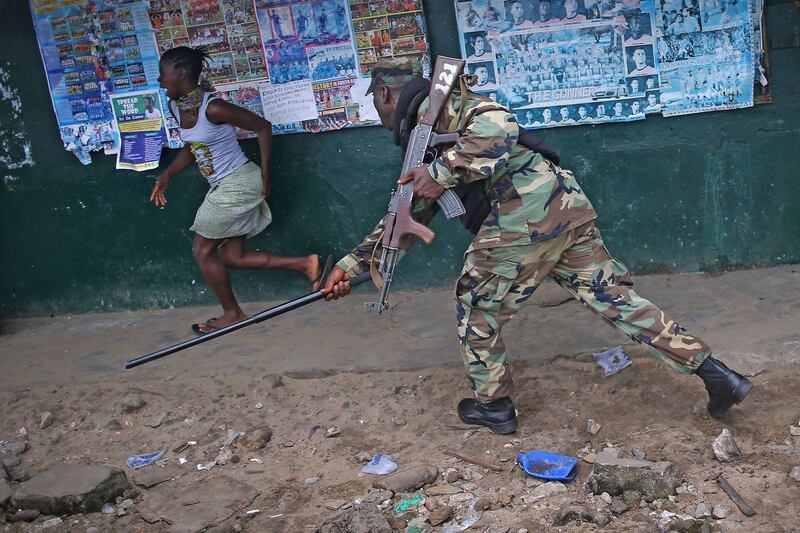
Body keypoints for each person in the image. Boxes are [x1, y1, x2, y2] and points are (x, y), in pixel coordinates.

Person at [322, 58, 753, 433]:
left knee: (476, 306)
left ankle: (492, 406)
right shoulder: (422, 134)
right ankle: (716, 375)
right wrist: (353, 266)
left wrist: (442, 172)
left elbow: (499, 125)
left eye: (373, 101)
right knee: (615, 299)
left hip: (524, 217)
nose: (375, 111)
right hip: (561, 211)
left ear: (383, 94)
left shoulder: (450, 107)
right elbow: (410, 213)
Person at [151, 47, 324, 335]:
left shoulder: (214, 108)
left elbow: (263, 127)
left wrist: (266, 174)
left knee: (202, 251)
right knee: (232, 256)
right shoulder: (175, 107)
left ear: (180, 74)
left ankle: (232, 313)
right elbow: (194, 148)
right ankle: (307, 264)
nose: (160, 80)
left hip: (239, 183)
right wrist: (167, 175)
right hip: (222, 186)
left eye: (163, 74)